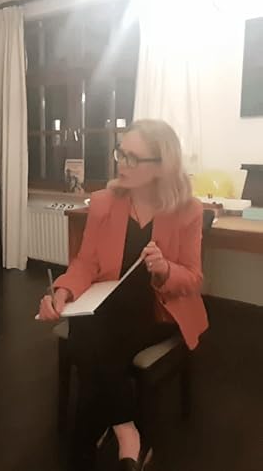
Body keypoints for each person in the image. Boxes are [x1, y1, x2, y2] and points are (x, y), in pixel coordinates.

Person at [38, 119, 209, 471]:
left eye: (133, 158)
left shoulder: (188, 210)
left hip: (159, 310)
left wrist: (165, 269)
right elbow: (86, 261)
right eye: (121, 153)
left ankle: (91, 444)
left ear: (161, 166)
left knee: (90, 338)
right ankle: (127, 429)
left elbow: (193, 279)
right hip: (109, 304)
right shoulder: (104, 202)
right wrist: (64, 290)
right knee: (90, 330)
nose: (121, 163)